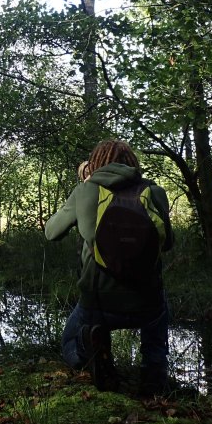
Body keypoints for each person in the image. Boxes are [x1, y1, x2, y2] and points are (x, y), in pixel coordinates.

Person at [44, 139, 174, 395]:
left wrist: (84, 187)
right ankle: (154, 381)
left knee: (69, 341)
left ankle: (89, 349)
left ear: (95, 164)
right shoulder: (154, 192)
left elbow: (51, 232)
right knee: (156, 332)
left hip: (98, 304)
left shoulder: (86, 191)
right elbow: (167, 243)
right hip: (147, 301)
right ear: (132, 162)